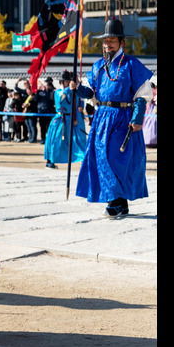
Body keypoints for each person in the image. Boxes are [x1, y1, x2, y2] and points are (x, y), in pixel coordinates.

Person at [70, 18, 154, 217]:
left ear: (121, 42)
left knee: (115, 159)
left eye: (112, 41)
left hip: (123, 117)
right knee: (101, 158)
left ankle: (116, 201)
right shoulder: (98, 66)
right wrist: (78, 89)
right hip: (102, 118)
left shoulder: (132, 64)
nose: (107, 44)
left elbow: (142, 94)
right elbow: (92, 94)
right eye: (105, 41)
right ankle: (118, 202)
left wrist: (137, 118)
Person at [43, 71, 87, 169]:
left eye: (69, 81)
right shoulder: (57, 92)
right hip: (60, 119)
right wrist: (69, 89)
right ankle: (50, 161)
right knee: (55, 140)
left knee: (76, 139)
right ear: (62, 82)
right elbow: (61, 98)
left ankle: (82, 158)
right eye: (66, 81)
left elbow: (78, 104)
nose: (68, 83)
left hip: (71, 119)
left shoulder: (74, 93)